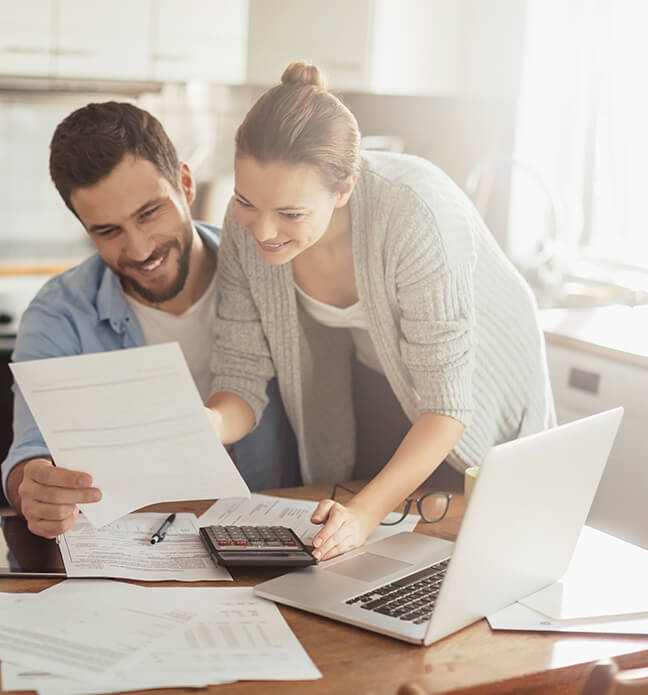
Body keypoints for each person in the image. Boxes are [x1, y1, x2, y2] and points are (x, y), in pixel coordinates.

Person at [206, 62, 556, 562]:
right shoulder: (247, 226)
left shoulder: (416, 213)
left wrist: (365, 515)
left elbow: (447, 407)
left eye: (290, 214)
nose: (261, 231)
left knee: (473, 539)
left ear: (344, 189)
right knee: (369, 546)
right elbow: (240, 377)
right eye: (246, 203)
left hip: (476, 385)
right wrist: (207, 424)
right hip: (380, 370)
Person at [2, 101, 298, 538]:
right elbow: (30, 453)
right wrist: (36, 488)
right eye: (108, 231)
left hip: (274, 537)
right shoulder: (59, 313)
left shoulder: (267, 273)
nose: (140, 249)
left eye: (149, 213)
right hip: (133, 547)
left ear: (185, 182)